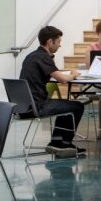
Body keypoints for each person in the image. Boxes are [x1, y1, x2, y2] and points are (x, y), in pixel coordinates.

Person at [19, 25, 86, 155]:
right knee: (77, 106)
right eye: (59, 42)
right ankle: (64, 144)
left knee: (65, 105)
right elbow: (62, 79)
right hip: (37, 106)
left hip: (24, 107)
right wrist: (73, 73)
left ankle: (57, 143)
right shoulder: (43, 57)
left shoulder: (32, 56)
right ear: (50, 41)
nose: (60, 45)